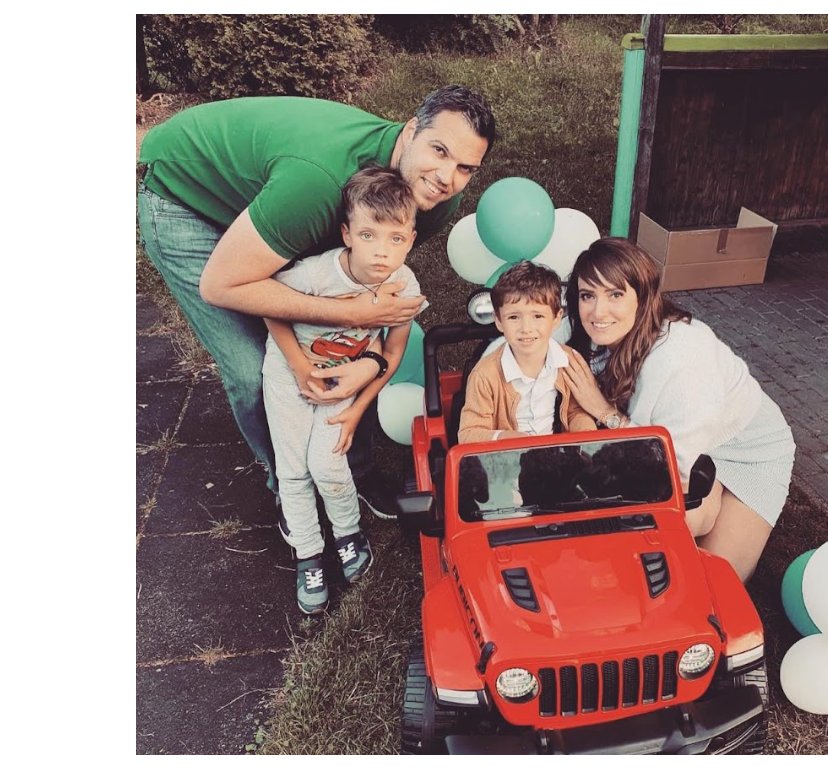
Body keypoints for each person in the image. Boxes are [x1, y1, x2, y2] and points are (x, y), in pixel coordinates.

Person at [136, 86, 496, 508]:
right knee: (254, 371)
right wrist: (347, 315)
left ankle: (353, 471)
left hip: (276, 200)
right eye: (439, 151)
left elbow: (363, 290)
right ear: (411, 130)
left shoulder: (431, 198)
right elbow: (222, 285)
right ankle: (293, 490)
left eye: (465, 168)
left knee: (341, 345)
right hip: (184, 194)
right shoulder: (318, 185)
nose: (447, 178)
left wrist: (370, 357)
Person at [562, 238, 795, 581]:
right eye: (587, 295)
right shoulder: (602, 329)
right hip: (694, 439)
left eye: (615, 294)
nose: (598, 312)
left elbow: (667, 465)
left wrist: (603, 411)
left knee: (715, 584)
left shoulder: (680, 358)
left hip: (747, 452)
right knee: (673, 537)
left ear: (643, 297)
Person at [264, 165, 425, 614]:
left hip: (344, 381)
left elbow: (393, 351)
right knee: (294, 470)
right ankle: (308, 555)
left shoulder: (404, 285)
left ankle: (348, 534)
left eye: (396, 238)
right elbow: (270, 306)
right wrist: (299, 366)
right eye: (369, 235)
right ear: (347, 234)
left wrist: (358, 409)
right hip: (289, 374)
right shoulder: (318, 273)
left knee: (328, 461)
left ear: (411, 240)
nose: (382, 251)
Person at [458, 261, 597, 444]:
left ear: (556, 318)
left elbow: (576, 411)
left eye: (538, 316)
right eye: (514, 317)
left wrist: (585, 434)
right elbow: (468, 433)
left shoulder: (570, 362)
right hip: (507, 456)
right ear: (499, 321)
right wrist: (505, 438)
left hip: (558, 453)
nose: (526, 328)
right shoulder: (485, 375)